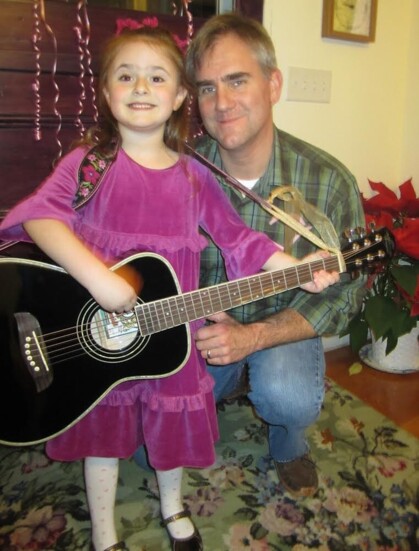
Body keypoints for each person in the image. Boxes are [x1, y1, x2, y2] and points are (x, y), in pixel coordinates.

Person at [0, 25, 339, 551]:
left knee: (171, 424)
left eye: (156, 77)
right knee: (104, 437)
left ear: (179, 95)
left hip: (169, 335)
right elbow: (39, 217)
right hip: (98, 332)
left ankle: (174, 506)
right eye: (126, 76)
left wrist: (298, 265)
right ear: (107, 92)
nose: (140, 88)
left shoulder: (193, 176)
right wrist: (101, 281)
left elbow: (239, 238)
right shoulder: (89, 164)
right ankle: (106, 532)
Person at [185, 13, 366, 498]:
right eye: (206, 88)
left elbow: (345, 298)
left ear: (274, 83)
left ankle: (288, 444)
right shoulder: (176, 175)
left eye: (237, 81)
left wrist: (255, 337)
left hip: (278, 327)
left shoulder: (328, 182)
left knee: (288, 395)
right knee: (144, 448)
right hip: (199, 333)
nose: (221, 103)